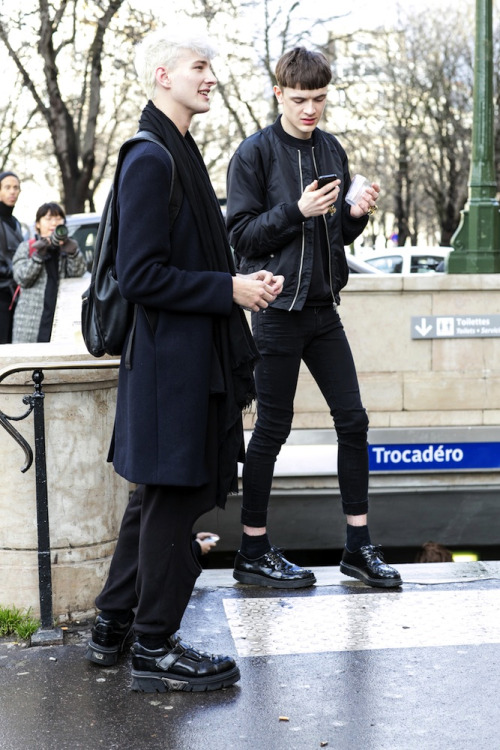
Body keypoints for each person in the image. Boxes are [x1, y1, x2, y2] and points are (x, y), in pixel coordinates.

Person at [85, 28, 283, 693]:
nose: (211, 78)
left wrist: (238, 282)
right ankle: (155, 645)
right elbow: (139, 275)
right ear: (164, 75)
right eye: (200, 67)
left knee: (155, 499)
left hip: (180, 363)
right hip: (173, 368)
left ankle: (113, 625)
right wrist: (227, 289)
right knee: (171, 500)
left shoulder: (177, 150)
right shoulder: (151, 159)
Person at [226, 46, 402, 590]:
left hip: (324, 310)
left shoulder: (332, 149)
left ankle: (357, 546)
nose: (311, 110)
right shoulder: (253, 154)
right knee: (272, 430)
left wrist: (353, 214)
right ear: (279, 93)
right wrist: (295, 210)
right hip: (276, 311)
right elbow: (241, 238)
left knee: (354, 422)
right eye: (300, 99)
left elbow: (334, 239)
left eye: (320, 99)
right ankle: (252, 549)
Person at [11, 202, 86, 342]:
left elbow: (78, 274)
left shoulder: (67, 246)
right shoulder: (27, 247)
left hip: (61, 317)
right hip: (30, 321)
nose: (54, 223)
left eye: (58, 218)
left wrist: (73, 253)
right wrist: (38, 256)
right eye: (48, 218)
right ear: (37, 224)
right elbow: (22, 278)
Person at [0, 170, 23, 343]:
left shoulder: (15, 222)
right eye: (7, 187)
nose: (12, 191)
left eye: (16, 187)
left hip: (15, 293)